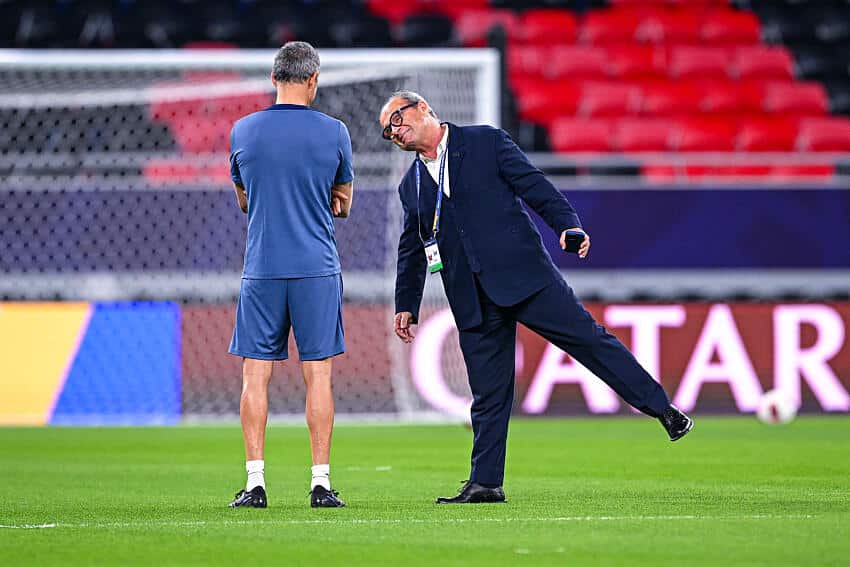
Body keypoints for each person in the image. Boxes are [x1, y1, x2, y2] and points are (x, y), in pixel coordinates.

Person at [381, 91, 693, 504]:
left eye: (397, 120)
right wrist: (407, 302)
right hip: (471, 294)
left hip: (524, 274)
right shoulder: (411, 185)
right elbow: (412, 246)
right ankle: (486, 482)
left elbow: (534, 186)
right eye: (387, 132)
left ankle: (664, 410)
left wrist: (567, 225)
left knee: (590, 342)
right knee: (488, 394)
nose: (395, 133)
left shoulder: (485, 142)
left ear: (423, 108)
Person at [227, 41, 353, 509]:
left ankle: (255, 483)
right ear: (313, 79)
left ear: (273, 78)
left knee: (254, 377)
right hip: (317, 269)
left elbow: (244, 199)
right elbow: (344, 202)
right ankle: (320, 482)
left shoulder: (243, 130)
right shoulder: (334, 132)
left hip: (262, 269)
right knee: (317, 376)